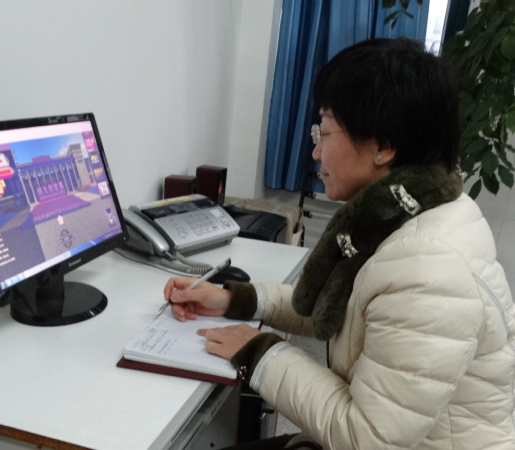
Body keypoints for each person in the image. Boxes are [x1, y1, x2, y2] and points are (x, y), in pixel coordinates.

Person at [164, 37, 515, 449]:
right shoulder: (403, 212)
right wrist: (234, 300)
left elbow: (368, 439)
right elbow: (340, 311)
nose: (316, 152)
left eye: (325, 131)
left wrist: (260, 353)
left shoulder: (426, 266)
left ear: (383, 147)